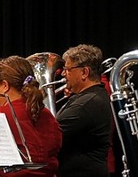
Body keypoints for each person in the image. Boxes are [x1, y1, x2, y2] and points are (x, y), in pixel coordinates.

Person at [56, 44, 112, 177]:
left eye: (68, 69)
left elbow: (51, 133)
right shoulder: (90, 97)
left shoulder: (87, 103)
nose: (63, 74)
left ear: (84, 72)